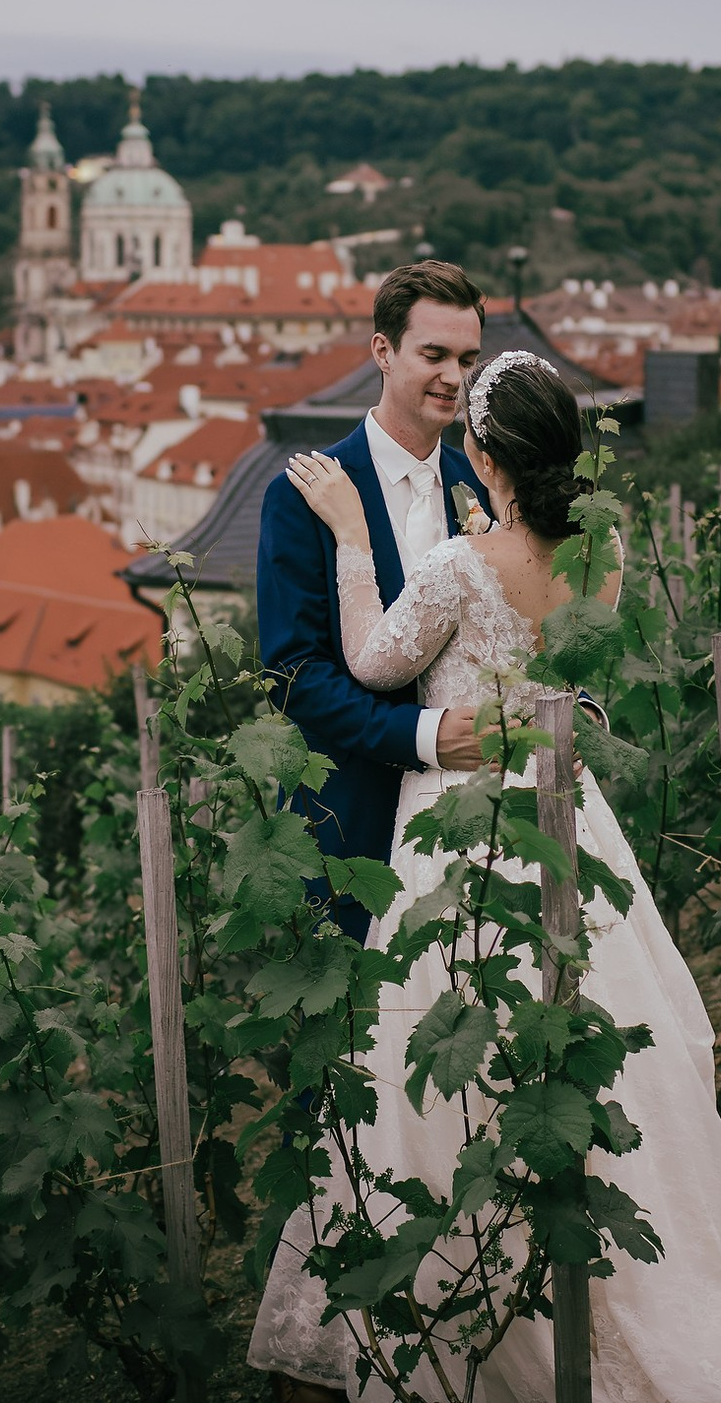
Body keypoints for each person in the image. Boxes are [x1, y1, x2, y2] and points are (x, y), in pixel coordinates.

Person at [248, 350, 721, 1402]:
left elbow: (369, 664)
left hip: (465, 820)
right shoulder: (602, 552)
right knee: (577, 1028)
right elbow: (546, 645)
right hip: (564, 813)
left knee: (444, 1046)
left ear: (485, 453)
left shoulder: (453, 565)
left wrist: (357, 539)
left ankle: (454, 1301)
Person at [257, 259, 491, 944]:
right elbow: (294, 674)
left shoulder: (482, 484)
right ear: (383, 351)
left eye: (468, 358)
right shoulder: (303, 494)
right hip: (350, 821)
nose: (454, 376)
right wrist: (424, 737)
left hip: (473, 821)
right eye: (435, 354)